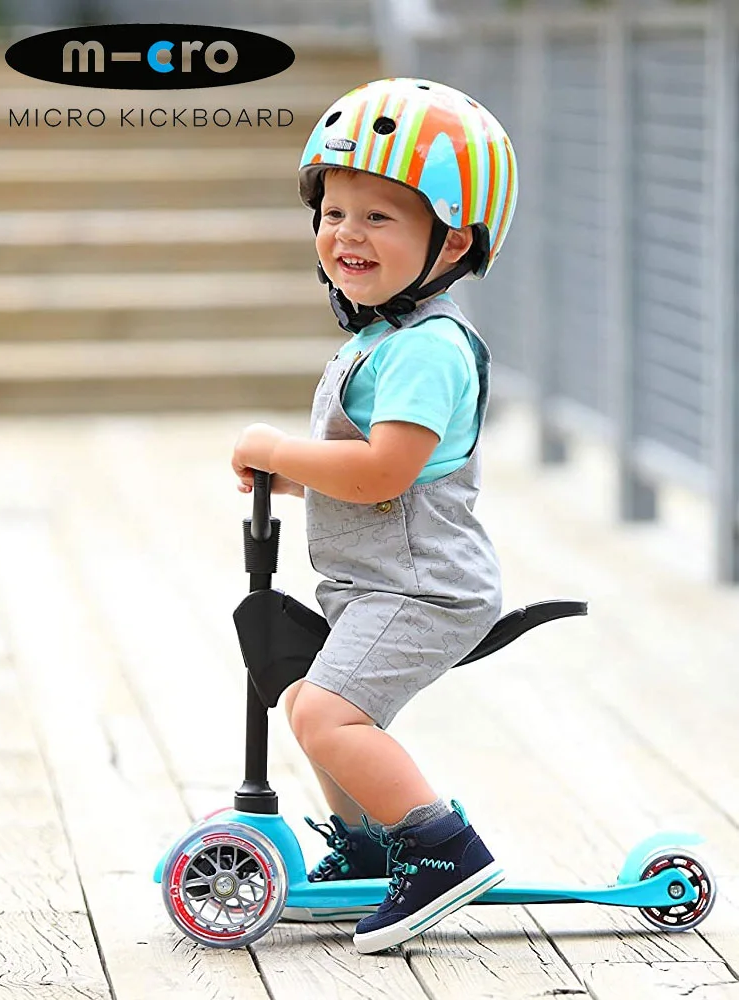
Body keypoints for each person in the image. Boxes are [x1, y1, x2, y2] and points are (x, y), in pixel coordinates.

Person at [231, 77, 518, 954]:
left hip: (426, 590)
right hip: (379, 579)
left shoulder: (429, 349)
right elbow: (385, 471)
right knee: (311, 696)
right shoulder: (384, 339)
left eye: (380, 218)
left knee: (325, 714)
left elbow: (383, 473)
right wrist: (288, 484)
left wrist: (282, 451)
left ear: (452, 240)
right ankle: (364, 843)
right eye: (335, 212)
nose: (346, 234)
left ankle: (440, 850)